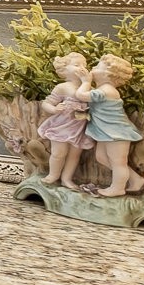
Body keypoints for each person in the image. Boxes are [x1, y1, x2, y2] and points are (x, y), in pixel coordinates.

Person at [86, 53, 144, 197]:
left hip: (117, 133)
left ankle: (118, 188)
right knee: (101, 157)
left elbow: (81, 95)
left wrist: (85, 81)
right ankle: (136, 180)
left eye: (97, 67)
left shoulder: (107, 90)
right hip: (106, 132)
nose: (92, 68)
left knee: (118, 162)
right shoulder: (102, 89)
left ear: (108, 75)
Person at [36, 52, 94, 186]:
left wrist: (87, 83)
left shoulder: (88, 87)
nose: (82, 68)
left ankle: (67, 179)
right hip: (62, 126)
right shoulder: (62, 87)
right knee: (58, 153)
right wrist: (54, 109)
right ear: (64, 70)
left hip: (80, 128)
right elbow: (46, 103)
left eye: (84, 65)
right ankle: (53, 175)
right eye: (76, 65)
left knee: (74, 155)